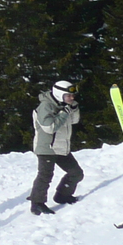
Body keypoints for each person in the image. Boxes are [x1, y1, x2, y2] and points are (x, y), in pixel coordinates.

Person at [28, 80, 83, 215]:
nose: (72, 98)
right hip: (46, 148)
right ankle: (37, 204)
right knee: (45, 175)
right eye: (68, 96)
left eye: (72, 96)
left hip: (60, 146)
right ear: (59, 94)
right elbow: (49, 127)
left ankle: (62, 196)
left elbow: (74, 121)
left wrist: (73, 109)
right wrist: (64, 112)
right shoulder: (45, 106)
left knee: (76, 173)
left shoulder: (65, 105)